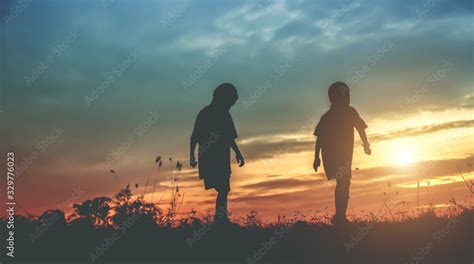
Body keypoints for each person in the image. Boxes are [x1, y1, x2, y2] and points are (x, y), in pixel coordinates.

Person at [313, 81, 371, 225]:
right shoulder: (328, 117)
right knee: (343, 182)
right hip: (333, 154)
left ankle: (340, 216)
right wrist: (316, 157)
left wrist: (366, 144)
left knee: (343, 182)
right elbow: (320, 138)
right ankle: (340, 217)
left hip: (344, 154)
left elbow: (360, 129)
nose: (348, 98)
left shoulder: (349, 112)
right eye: (345, 95)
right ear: (336, 97)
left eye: (348, 95)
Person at [190, 83, 245, 224]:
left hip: (221, 157)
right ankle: (220, 220)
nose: (231, 106)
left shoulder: (225, 114)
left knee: (224, 188)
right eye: (230, 102)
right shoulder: (205, 114)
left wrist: (238, 153)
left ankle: (221, 219)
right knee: (223, 188)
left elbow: (229, 137)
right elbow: (195, 136)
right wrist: (191, 155)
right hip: (210, 157)